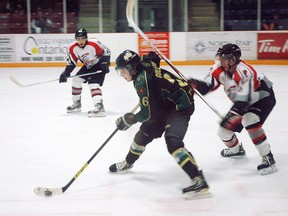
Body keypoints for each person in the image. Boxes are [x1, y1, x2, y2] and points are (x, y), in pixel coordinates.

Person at [109, 50, 210, 198]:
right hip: (165, 104)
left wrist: (129, 120)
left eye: (123, 70)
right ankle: (128, 162)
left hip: (180, 107)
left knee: (173, 143)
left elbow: (147, 114)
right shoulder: (144, 65)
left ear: (131, 68)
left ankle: (199, 181)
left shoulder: (142, 81)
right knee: (142, 136)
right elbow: (153, 60)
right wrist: (152, 55)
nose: (122, 74)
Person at [188, 43, 277, 175]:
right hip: (243, 100)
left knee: (249, 120)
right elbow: (208, 86)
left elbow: (243, 102)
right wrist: (194, 84)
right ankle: (237, 150)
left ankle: (268, 158)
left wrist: (231, 118)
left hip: (263, 98)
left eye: (223, 58)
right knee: (223, 132)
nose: (220, 60)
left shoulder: (246, 72)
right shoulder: (218, 69)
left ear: (232, 60)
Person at [59, 28, 111, 117]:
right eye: (78, 39)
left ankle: (99, 106)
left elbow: (106, 52)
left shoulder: (94, 43)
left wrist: (105, 63)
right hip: (88, 66)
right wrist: (65, 73)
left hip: (99, 64)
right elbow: (72, 63)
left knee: (93, 84)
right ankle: (77, 104)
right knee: (76, 80)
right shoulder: (73, 48)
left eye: (82, 38)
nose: (80, 41)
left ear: (86, 38)